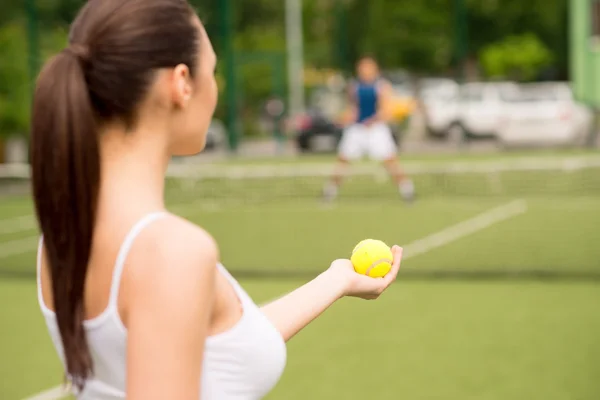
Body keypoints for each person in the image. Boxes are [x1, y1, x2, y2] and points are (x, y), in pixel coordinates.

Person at [30, 1, 404, 399]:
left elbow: (221, 350)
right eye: (214, 71)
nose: (217, 86)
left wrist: (338, 278)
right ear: (182, 84)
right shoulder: (173, 252)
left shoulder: (62, 234)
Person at [322, 56, 415, 202]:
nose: (364, 70)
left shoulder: (382, 86)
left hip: (376, 129)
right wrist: (344, 119)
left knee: (390, 161)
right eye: (362, 67)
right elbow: (353, 109)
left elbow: (386, 110)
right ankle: (329, 192)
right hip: (357, 129)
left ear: (375, 69)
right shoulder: (354, 86)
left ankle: (407, 191)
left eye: (368, 67)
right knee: (342, 160)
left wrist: (373, 120)